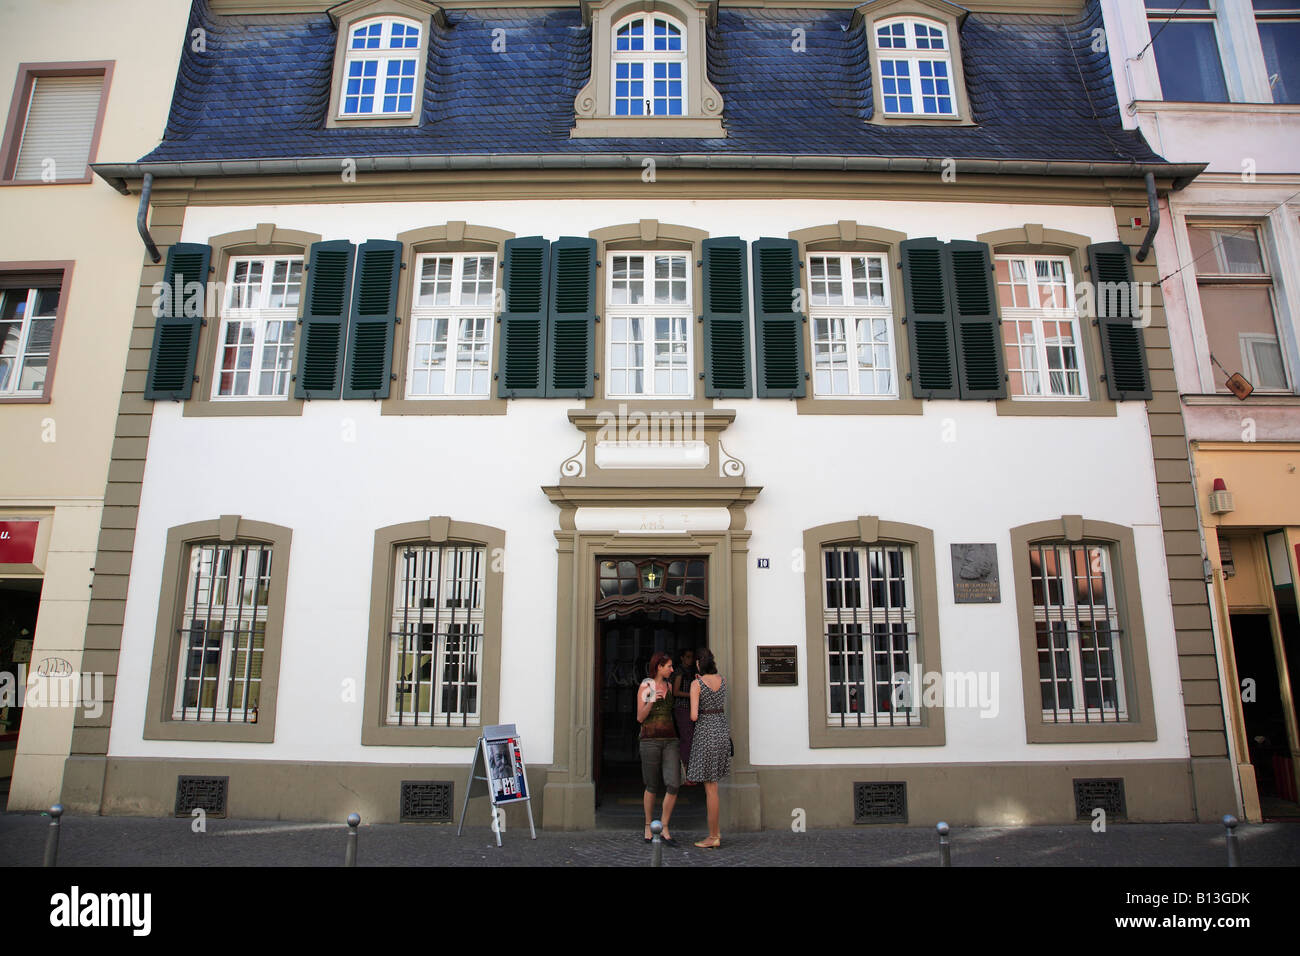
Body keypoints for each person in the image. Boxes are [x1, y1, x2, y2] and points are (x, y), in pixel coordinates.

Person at [686, 647, 730, 849]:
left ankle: (713, 836)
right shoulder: (722, 681)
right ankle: (716, 832)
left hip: (706, 732)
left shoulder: (697, 683)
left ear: (698, 664)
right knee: (714, 787)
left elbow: (694, 716)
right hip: (721, 730)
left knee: (710, 789)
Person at [636, 651, 680, 846]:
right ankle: (648, 825)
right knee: (652, 784)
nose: (672, 669)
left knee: (673, 783)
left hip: (670, 740)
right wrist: (652, 699)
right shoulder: (646, 686)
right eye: (669, 666)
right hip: (650, 740)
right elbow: (639, 717)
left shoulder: (670, 686)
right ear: (659, 667)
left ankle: (664, 825)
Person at [672, 648, 698, 782]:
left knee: (690, 737)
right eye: (687, 657)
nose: (690, 659)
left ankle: (688, 770)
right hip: (682, 707)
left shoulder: (692, 671)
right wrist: (691, 695)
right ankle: (684, 771)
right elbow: (675, 691)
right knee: (686, 738)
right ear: (682, 658)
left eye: (691, 657)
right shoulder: (679, 671)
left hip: (690, 708)